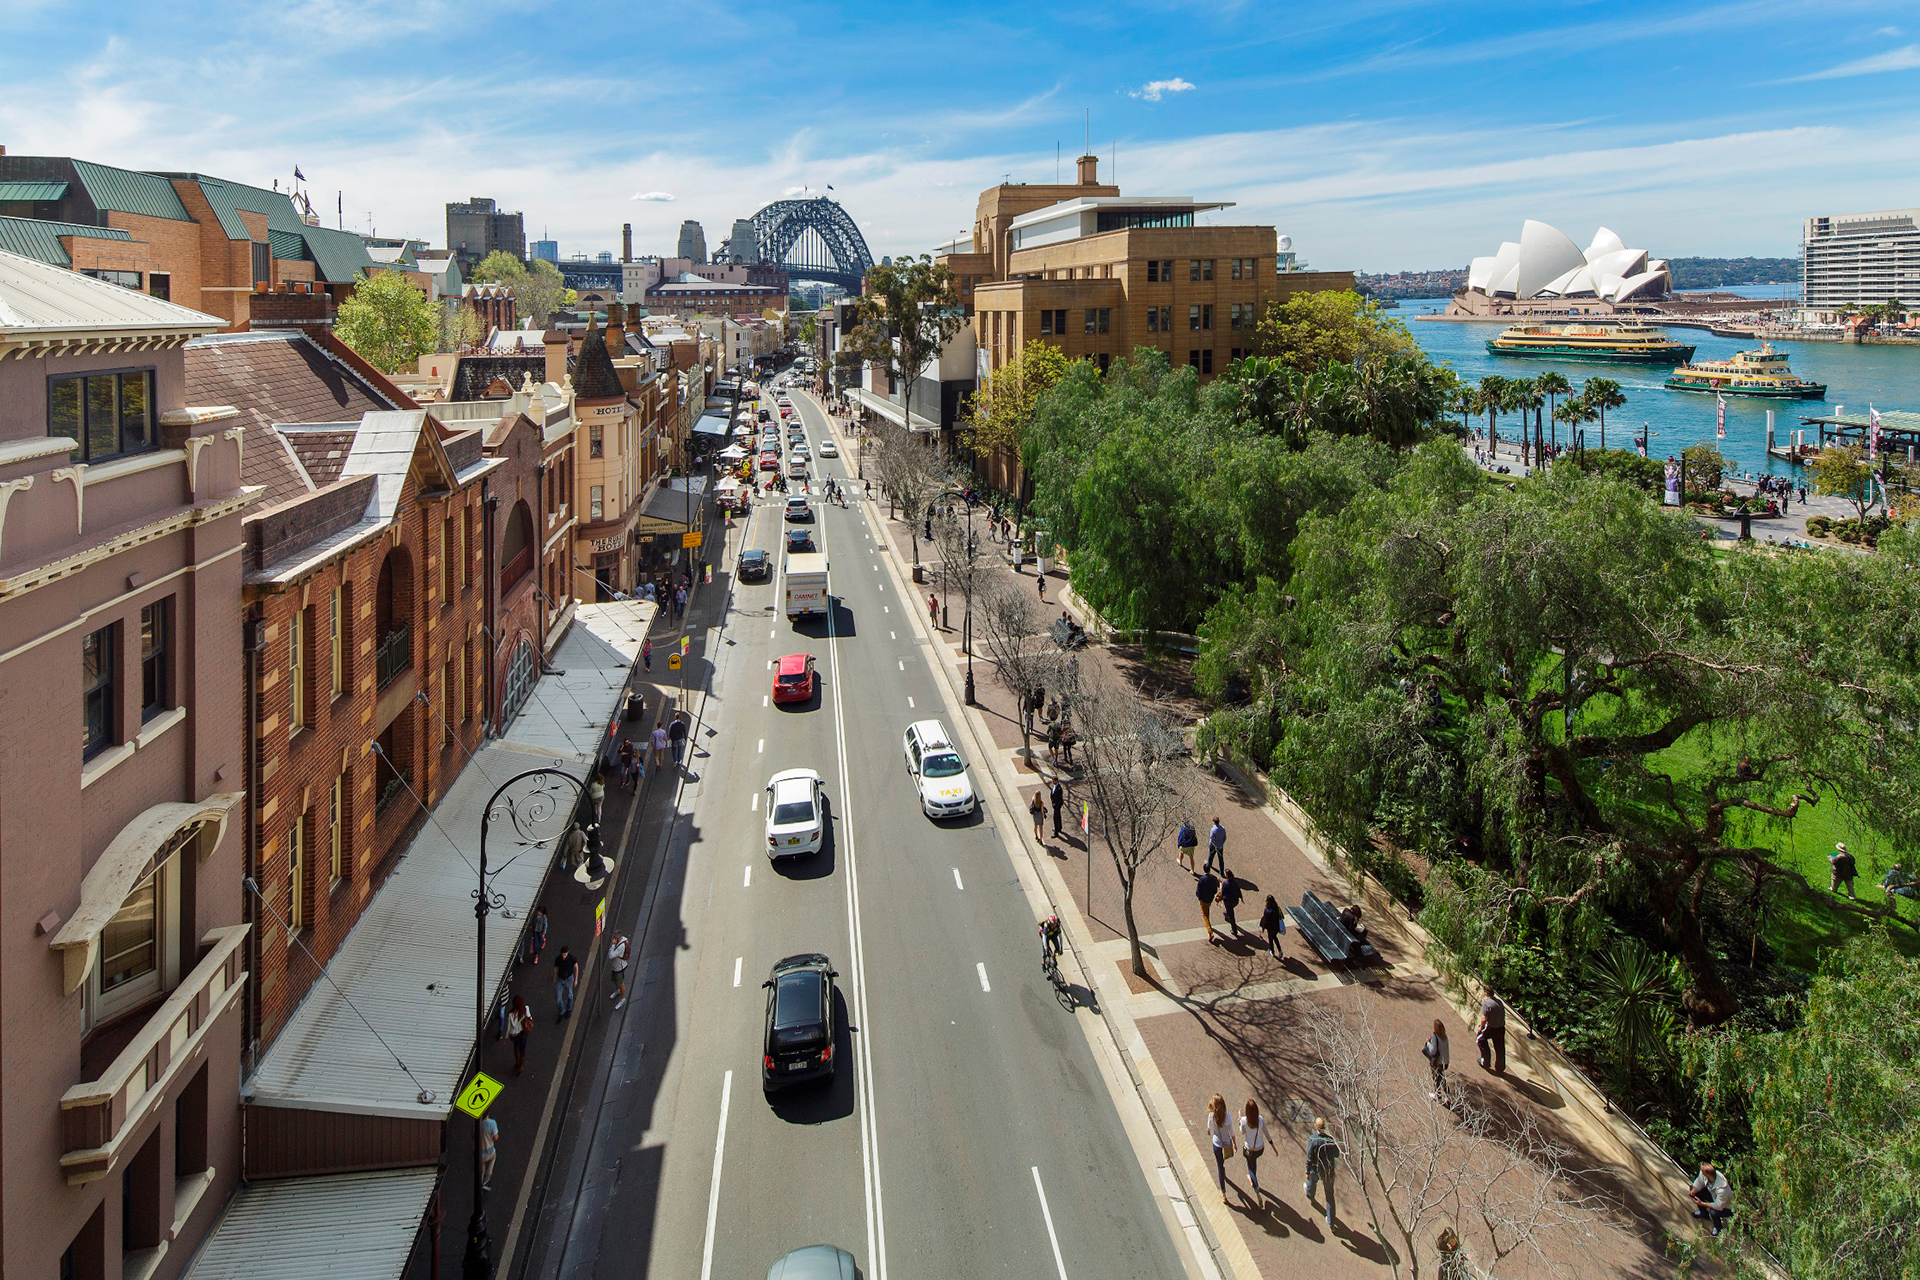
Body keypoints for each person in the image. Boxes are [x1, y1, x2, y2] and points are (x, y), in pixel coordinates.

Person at [1305, 1117, 1339, 1228]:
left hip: (1316, 1169)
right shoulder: (1330, 1140)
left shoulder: (1313, 1140)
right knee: (1330, 1196)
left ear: (1316, 1126)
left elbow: (1309, 1158)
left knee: (1312, 1181)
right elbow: (1337, 1154)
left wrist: (1307, 1170)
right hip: (1328, 1171)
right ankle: (1331, 1222)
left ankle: (1310, 1195)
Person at [1688, 1161, 1733, 1236]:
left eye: (1702, 1171)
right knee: (1695, 1190)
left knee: (1714, 1212)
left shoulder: (1722, 1189)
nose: (1701, 1172)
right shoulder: (1705, 1175)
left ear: (1708, 1174)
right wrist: (1693, 1191)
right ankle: (1704, 1213)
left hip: (1726, 1207)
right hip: (1714, 1197)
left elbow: (1719, 1206)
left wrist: (1701, 1203)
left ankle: (1718, 1227)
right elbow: (1699, 1181)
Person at [1205, 1094, 1234, 1202]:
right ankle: (1223, 1173)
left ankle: (1223, 1192)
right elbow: (1232, 1132)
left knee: (1219, 1166)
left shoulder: (1211, 1116)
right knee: (1222, 1163)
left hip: (1217, 1144)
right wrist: (1234, 1144)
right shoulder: (1229, 1116)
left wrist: (1209, 1130)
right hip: (1226, 1144)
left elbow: (1210, 1131)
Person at [1239, 1099, 1269, 1200]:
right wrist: (1271, 1143)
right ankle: (1253, 1178)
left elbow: (1242, 1132)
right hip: (1260, 1148)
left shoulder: (1244, 1120)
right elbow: (1266, 1132)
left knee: (1251, 1168)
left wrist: (1239, 1121)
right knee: (1254, 1163)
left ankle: (1256, 1188)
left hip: (1250, 1149)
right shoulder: (1260, 1119)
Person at [1476, 989, 1508, 1073]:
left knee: (1480, 1040)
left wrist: (1481, 1028)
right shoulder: (1500, 1002)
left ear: (1486, 993)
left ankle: (1485, 1061)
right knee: (1500, 1048)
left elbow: (1484, 1019)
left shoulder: (1487, 1003)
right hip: (1501, 1028)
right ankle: (1500, 1067)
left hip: (1491, 1028)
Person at [1423, 1018, 1451, 1100]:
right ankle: (1447, 1095)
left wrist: (1428, 1042)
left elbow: (1432, 1051)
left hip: (1437, 1062)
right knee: (1441, 1077)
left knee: (1436, 1078)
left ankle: (1438, 1095)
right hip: (1445, 1062)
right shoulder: (1444, 1037)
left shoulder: (1435, 1037)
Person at [506, 992, 532, 1075]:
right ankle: (520, 1066)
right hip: (522, 1033)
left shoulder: (511, 1014)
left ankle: (517, 1063)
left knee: (516, 1048)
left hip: (514, 1035)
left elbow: (509, 1027)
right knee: (522, 1050)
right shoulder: (525, 1009)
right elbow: (530, 1017)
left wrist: (506, 1037)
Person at [553, 945, 579, 1021]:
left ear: (567, 953)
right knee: (558, 999)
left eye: (565, 954)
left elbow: (576, 967)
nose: (563, 956)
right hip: (560, 979)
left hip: (569, 979)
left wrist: (575, 979)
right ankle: (562, 1011)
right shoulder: (558, 959)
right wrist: (554, 978)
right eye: (562, 955)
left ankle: (569, 1009)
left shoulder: (571, 958)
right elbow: (556, 968)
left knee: (570, 995)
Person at [1196, 868, 1221, 941]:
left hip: (1203, 899)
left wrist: (1199, 897)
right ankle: (1209, 925)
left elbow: (1198, 891)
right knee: (1207, 910)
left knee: (1204, 915)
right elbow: (1215, 890)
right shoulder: (1213, 878)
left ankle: (1210, 932)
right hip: (1210, 899)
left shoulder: (1201, 879)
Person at [1259, 893, 1286, 960]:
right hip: (1276, 927)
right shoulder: (1277, 907)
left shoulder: (1267, 910)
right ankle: (1280, 950)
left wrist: (1262, 928)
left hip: (1270, 927)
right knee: (1274, 937)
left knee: (1270, 939)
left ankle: (1272, 951)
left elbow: (1265, 920)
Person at [608, 932, 630, 1009]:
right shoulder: (622, 941)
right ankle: (618, 990)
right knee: (615, 980)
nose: (613, 940)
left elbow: (611, 956)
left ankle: (622, 999)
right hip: (615, 966)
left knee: (620, 983)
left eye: (615, 938)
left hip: (619, 967)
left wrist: (613, 945)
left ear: (618, 938)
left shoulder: (621, 946)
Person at [1219, 871, 1244, 937]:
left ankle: (1234, 930)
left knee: (1231, 916)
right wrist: (1241, 897)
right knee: (1229, 910)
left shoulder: (1225, 883)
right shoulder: (1235, 882)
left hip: (1228, 902)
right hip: (1235, 901)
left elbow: (1222, 892)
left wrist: (1220, 883)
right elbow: (1238, 890)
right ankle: (1227, 914)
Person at [480, 1114, 499, 1191]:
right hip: (490, 1150)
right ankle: (486, 1181)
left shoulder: (478, 1124)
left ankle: (480, 1182)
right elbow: (496, 1137)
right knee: (492, 1159)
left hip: (480, 1152)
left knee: (481, 1168)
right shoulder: (491, 1123)